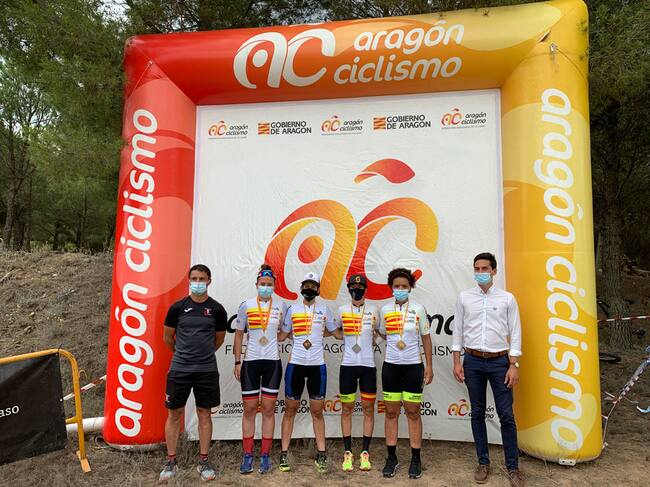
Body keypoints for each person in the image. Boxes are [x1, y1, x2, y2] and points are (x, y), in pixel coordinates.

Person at [451, 252, 524, 487]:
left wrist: (513, 365)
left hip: (500, 362)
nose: (480, 272)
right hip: (472, 362)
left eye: (485, 268)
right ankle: (483, 462)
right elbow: (458, 331)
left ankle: (513, 467)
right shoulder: (464, 298)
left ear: (494, 271)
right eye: (477, 269)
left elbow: (516, 332)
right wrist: (457, 361)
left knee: (506, 415)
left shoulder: (507, 299)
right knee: (477, 413)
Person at [159, 264, 228, 482]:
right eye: (194, 278)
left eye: (202, 279)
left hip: (206, 370)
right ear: (189, 281)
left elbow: (219, 339)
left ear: (209, 281)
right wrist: (183, 354)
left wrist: (202, 354)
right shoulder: (177, 308)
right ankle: (171, 461)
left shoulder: (217, 309)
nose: (198, 282)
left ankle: (204, 461)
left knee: (205, 414)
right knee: (174, 414)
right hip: (179, 369)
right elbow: (167, 338)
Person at [277, 271, 340, 473]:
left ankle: (321, 453)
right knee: (290, 410)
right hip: (295, 365)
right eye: (306, 285)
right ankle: (284, 453)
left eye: (313, 286)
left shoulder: (324, 310)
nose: (309, 289)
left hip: (317, 366)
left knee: (317, 412)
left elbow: (336, 333)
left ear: (318, 290)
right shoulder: (292, 309)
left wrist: (358, 330)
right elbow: (282, 335)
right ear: (301, 287)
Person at [378, 267, 433, 479]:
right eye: (396, 286)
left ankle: (416, 459)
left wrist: (429, 366)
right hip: (391, 367)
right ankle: (391, 458)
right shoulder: (384, 310)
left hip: (413, 367)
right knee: (391, 413)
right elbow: (382, 334)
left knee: (413, 412)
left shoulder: (419, 309)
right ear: (391, 288)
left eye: (404, 286)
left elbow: (426, 338)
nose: (400, 289)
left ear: (410, 287)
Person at [234, 264, 287, 474]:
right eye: (262, 284)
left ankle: (265, 455)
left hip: (272, 362)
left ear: (274, 286)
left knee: (268, 409)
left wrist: (276, 338)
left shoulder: (281, 306)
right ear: (256, 285)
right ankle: (247, 455)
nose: (265, 287)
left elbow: (285, 332)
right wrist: (237, 362)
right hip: (251, 362)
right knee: (249, 409)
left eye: (269, 284)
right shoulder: (246, 305)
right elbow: (239, 334)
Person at [334, 274, 379, 472]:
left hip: (368, 366)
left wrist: (375, 342)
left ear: (366, 290)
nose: (357, 290)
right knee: (347, 408)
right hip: (348, 366)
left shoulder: (374, 310)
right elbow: (334, 329)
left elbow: (381, 332)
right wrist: (343, 338)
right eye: (353, 287)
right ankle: (347, 452)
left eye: (360, 288)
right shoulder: (342, 310)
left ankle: (365, 452)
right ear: (349, 289)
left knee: (368, 408)